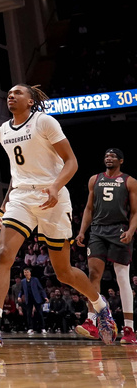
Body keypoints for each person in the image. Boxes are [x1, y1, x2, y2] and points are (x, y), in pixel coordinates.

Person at [0, 84, 117, 349]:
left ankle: (101, 308)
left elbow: (72, 162)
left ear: (31, 101)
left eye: (17, 93)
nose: (10, 95)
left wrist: (56, 187)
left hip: (52, 195)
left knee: (64, 272)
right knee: (2, 255)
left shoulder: (45, 122)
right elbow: (16, 172)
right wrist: (3, 207)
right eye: (8, 93)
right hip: (22, 197)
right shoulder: (2, 131)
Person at [75, 147, 137, 344]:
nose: (108, 158)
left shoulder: (130, 181)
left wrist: (131, 230)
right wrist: (82, 231)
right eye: (106, 155)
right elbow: (88, 208)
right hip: (98, 230)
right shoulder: (95, 179)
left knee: (122, 277)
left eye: (112, 156)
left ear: (121, 160)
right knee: (93, 275)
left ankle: (129, 329)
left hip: (119, 230)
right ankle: (91, 321)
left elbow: (135, 211)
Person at [17, 268, 47, 335]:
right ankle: (30, 328)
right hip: (28, 299)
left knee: (40, 313)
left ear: (30, 273)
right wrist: (19, 296)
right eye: (25, 272)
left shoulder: (35, 280)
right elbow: (21, 291)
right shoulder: (23, 281)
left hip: (36, 298)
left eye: (27, 272)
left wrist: (45, 297)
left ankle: (43, 328)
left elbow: (41, 289)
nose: (26, 273)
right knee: (29, 314)